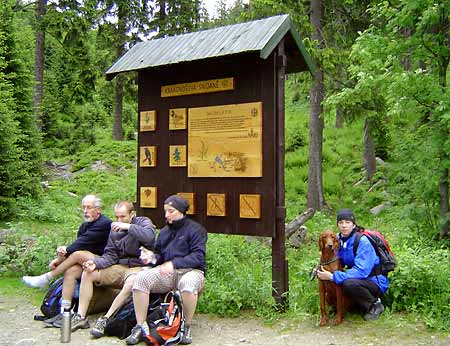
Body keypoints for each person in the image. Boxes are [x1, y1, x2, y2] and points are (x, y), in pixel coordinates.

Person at [125, 195, 207, 345]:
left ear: (182, 212)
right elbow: (160, 257)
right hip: (167, 273)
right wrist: (151, 258)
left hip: (192, 271)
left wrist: (174, 263)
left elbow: (198, 257)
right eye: (165, 211)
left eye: (171, 211)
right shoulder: (164, 232)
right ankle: (140, 326)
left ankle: (186, 326)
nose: (166, 215)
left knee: (188, 285)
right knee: (141, 279)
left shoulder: (196, 230)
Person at [70, 200, 156, 335]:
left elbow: (150, 237)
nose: (119, 220)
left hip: (140, 267)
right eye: (117, 217)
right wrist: (95, 264)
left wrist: (127, 227)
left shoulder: (143, 222)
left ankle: (106, 318)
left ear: (132, 214)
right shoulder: (114, 229)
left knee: (131, 282)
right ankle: (80, 316)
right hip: (119, 266)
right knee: (88, 273)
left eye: (122, 216)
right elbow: (110, 255)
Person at [22, 194, 112, 312]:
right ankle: (65, 311)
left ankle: (47, 277)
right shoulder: (85, 226)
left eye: (89, 207)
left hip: (106, 263)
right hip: (90, 263)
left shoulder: (104, 224)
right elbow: (77, 246)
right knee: (71, 271)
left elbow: (78, 246)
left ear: (98, 209)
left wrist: (61, 256)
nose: (85, 211)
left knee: (78, 254)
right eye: (83, 207)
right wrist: (61, 257)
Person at [317, 208, 389, 321]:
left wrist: (332, 276)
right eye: (341, 222)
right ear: (337, 225)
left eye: (347, 222)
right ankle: (354, 306)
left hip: (374, 280)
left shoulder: (362, 241)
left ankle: (375, 304)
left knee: (347, 283)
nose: (344, 225)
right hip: (357, 278)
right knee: (344, 281)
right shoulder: (337, 239)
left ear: (354, 225)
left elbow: (362, 271)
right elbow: (331, 258)